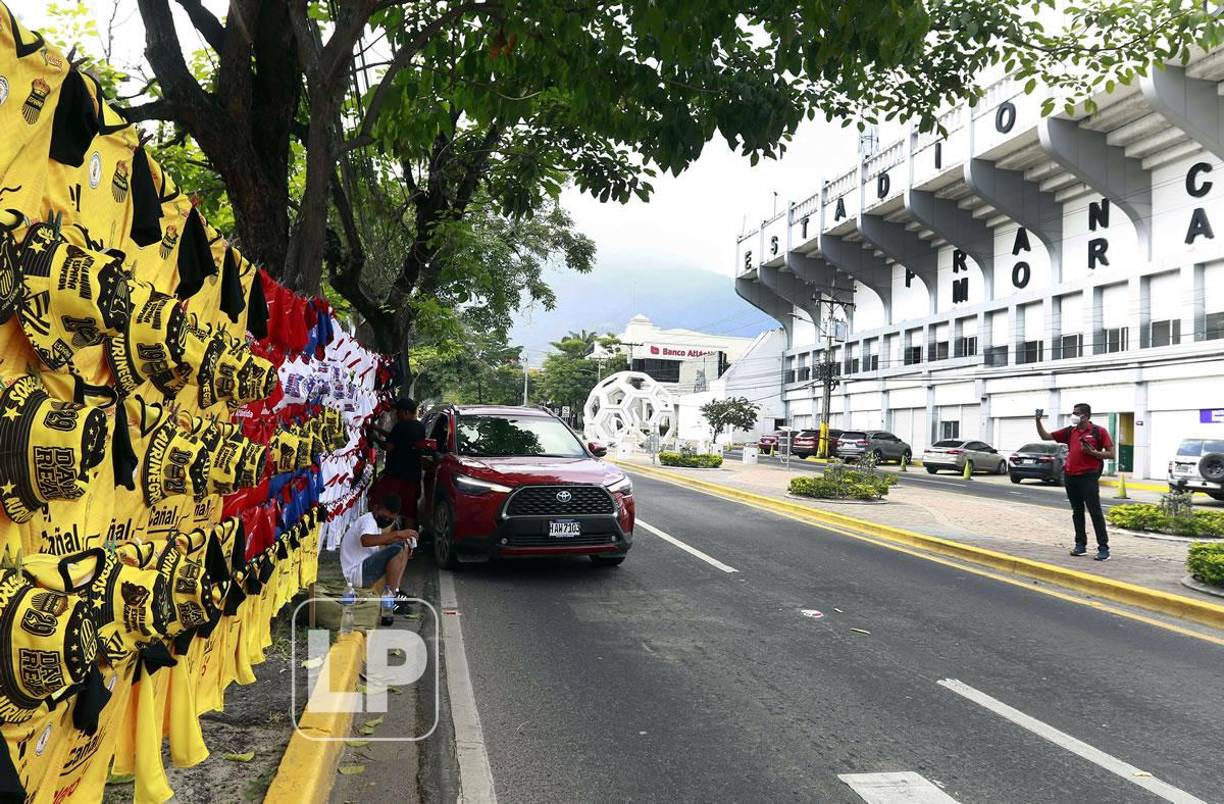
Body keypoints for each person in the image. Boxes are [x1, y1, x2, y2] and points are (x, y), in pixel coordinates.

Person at [1036, 403, 1116, 560]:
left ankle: (1103, 548)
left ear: (1085, 416)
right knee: (1077, 512)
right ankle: (1080, 545)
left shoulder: (1098, 432)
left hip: (1088, 476)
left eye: (1076, 413)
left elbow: (1111, 454)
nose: (1073, 415)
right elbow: (1045, 436)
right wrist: (1037, 420)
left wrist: (1093, 452)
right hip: (1070, 476)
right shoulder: (1070, 431)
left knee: (1095, 512)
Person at [340, 494, 418, 608]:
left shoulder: (375, 523)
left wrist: (405, 539)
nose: (387, 520)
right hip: (356, 573)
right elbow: (366, 541)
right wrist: (398, 534)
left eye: (391, 519)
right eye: (385, 517)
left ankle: (395, 592)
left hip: (363, 569)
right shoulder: (368, 520)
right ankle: (389, 602)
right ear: (376, 508)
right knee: (397, 550)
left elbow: (382, 541)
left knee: (403, 546)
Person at [379, 398, 428, 527]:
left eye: (398, 412)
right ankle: (407, 540)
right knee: (409, 510)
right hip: (413, 475)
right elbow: (397, 438)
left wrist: (375, 439)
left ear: (406, 412)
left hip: (396, 475)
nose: (396, 415)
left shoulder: (401, 425)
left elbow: (389, 446)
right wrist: (378, 430)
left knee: (387, 504)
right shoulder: (420, 427)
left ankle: (385, 535)